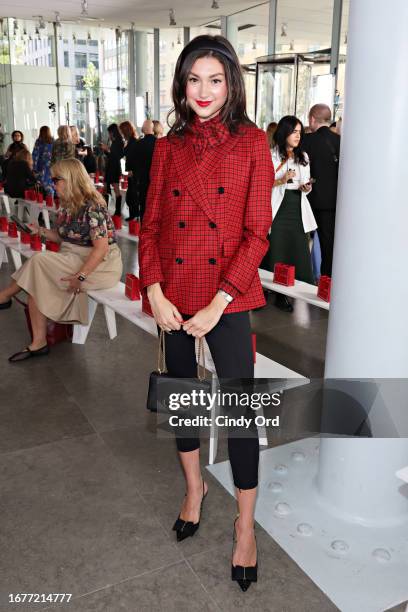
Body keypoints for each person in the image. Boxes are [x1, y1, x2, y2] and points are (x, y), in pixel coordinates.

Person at [139, 34, 273, 591]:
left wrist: (220, 302)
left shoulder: (251, 143)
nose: (203, 91)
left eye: (215, 80)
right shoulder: (168, 147)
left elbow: (256, 233)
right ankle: (193, 490)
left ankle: (245, 526)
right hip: (174, 293)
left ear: (232, 84)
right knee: (184, 401)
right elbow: (149, 227)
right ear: (181, 83)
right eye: (194, 79)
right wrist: (153, 287)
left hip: (229, 295)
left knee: (241, 415)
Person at [0, 158, 123, 360]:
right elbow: (62, 236)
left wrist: (81, 277)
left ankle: (5, 296)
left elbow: (100, 249)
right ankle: (38, 342)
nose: (52, 183)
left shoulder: (93, 207)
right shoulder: (67, 205)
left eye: (56, 179)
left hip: (100, 264)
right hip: (73, 256)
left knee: (39, 262)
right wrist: (39, 231)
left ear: (70, 180)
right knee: (37, 277)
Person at [261, 115, 317, 312]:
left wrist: (306, 187)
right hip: (278, 207)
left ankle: (287, 293)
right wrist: (282, 179)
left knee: (297, 249)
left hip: (297, 206)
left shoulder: (304, 156)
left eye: (300, 133)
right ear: (284, 132)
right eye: (294, 132)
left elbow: (305, 185)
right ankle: (270, 291)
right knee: (276, 249)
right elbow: (262, 183)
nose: (297, 136)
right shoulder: (271, 155)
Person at [303, 104, 340, 277]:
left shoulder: (306, 141)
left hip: (306, 200)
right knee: (328, 246)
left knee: (301, 243)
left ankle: (300, 279)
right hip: (331, 203)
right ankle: (326, 282)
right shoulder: (340, 142)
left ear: (312, 119)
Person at [99, 124, 124, 216]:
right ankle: (105, 210)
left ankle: (117, 212)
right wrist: (106, 150)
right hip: (110, 166)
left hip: (115, 167)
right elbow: (111, 155)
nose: (108, 134)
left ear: (113, 132)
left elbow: (118, 156)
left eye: (109, 132)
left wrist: (108, 149)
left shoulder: (119, 141)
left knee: (116, 189)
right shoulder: (113, 141)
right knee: (105, 187)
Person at [136, 119, 156, 221]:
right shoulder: (159, 143)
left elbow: (135, 163)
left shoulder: (139, 144)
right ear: (153, 129)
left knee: (143, 207)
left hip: (143, 180)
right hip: (157, 181)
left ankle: (144, 231)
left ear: (143, 130)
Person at [119, 120, 139, 220]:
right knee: (131, 193)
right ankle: (133, 215)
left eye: (122, 131)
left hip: (133, 172)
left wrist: (132, 171)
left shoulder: (134, 142)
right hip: (131, 171)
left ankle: (134, 215)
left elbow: (136, 158)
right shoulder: (131, 141)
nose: (121, 133)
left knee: (133, 194)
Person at [32, 126, 54, 195]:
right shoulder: (53, 140)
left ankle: (43, 200)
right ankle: (51, 199)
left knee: (41, 184)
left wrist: (34, 168)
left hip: (40, 165)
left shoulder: (38, 141)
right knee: (50, 183)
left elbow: (35, 154)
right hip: (50, 165)